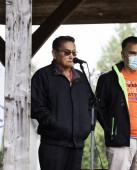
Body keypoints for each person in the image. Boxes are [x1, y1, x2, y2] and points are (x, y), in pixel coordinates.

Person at [96, 36, 137, 170]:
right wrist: (112, 129)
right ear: (123, 55)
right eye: (132, 53)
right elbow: (99, 108)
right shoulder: (108, 79)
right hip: (120, 141)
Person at [31, 36, 92, 170]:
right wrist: (55, 123)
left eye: (74, 52)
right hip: (53, 145)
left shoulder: (81, 77)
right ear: (54, 53)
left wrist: (86, 125)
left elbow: (89, 104)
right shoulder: (42, 75)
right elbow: (36, 107)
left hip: (77, 145)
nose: (72, 56)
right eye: (67, 52)